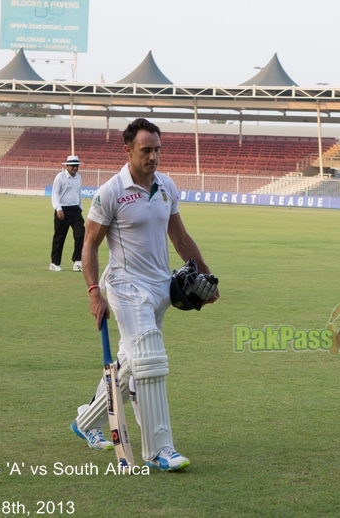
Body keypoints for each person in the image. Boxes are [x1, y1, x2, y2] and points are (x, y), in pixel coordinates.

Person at [71, 118, 219, 471]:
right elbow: (88, 245)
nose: (153, 156)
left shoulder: (166, 186)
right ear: (128, 150)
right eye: (146, 150)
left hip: (160, 287)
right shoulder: (110, 191)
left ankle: (86, 419)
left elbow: (180, 239)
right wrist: (94, 292)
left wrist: (207, 277)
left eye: (157, 150)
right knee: (150, 360)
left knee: (131, 363)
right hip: (124, 286)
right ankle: (159, 450)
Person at [50, 155, 85, 272]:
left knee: (80, 235)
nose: (75, 168)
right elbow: (55, 193)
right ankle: (54, 263)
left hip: (75, 210)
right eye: (73, 166)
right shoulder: (60, 177)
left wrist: (80, 207)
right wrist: (58, 208)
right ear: (67, 166)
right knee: (59, 237)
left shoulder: (78, 177)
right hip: (63, 210)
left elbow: (78, 193)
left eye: (77, 166)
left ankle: (77, 261)